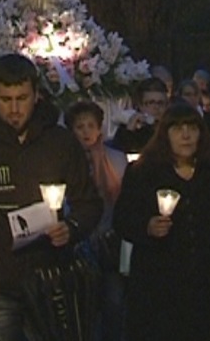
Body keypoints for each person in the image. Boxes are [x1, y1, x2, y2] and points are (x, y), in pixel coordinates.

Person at [0, 54, 102, 340]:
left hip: (50, 282)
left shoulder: (61, 142)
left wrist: (72, 227)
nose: (15, 109)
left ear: (36, 95)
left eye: (22, 98)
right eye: (6, 99)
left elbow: (90, 202)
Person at [113, 103, 210, 340]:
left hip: (206, 281)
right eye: (178, 129)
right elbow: (122, 219)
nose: (186, 135)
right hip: (158, 281)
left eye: (192, 128)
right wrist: (147, 226)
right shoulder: (143, 173)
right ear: (165, 134)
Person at [64, 101, 128, 341]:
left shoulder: (116, 159)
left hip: (109, 238)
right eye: (80, 126)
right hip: (79, 243)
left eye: (91, 125)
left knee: (113, 302)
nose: (86, 132)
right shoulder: (66, 161)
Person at [111, 77, 169, 154]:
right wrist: (130, 128)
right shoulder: (128, 129)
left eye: (160, 103)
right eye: (150, 103)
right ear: (140, 105)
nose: (156, 107)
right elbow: (118, 152)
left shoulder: (171, 129)